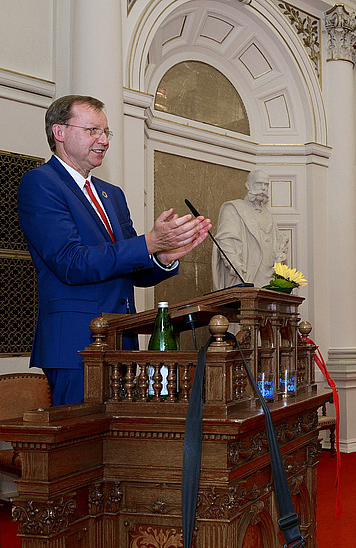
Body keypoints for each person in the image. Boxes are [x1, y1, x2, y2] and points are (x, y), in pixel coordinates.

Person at [18, 94, 211, 405]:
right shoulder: (40, 184)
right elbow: (71, 262)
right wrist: (148, 243)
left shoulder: (112, 194)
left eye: (105, 132)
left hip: (121, 341)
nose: (103, 140)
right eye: (93, 130)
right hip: (75, 346)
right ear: (59, 132)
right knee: (81, 446)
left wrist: (161, 257)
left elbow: (129, 269)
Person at [212, 169, 289, 289]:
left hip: (268, 280)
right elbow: (225, 240)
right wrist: (234, 264)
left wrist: (279, 257)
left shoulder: (269, 216)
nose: (263, 188)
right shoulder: (233, 208)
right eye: (259, 183)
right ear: (248, 185)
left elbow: (276, 246)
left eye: (266, 185)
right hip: (245, 274)